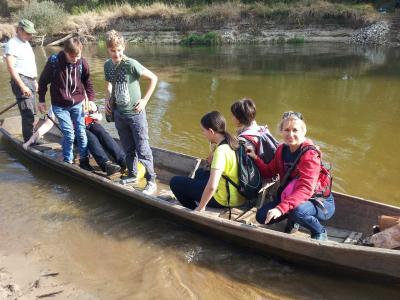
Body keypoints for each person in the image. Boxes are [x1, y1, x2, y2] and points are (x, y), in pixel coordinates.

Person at [247, 111, 335, 241]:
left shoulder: (310, 155)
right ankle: (293, 219)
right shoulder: (281, 150)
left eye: (295, 130)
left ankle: (319, 231)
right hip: (291, 196)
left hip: (318, 201)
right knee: (261, 216)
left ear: (303, 131)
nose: (291, 134)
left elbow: (305, 189)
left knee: (298, 212)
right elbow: (269, 171)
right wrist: (255, 158)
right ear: (281, 132)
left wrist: (280, 209)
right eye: (286, 130)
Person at [104, 30, 158, 195]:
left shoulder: (131, 64)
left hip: (135, 114)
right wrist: (107, 100)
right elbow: (108, 84)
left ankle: (151, 180)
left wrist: (145, 101)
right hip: (119, 114)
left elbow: (153, 78)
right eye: (113, 50)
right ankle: (133, 174)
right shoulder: (107, 65)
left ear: (123, 48)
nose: (116, 54)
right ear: (108, 50)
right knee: (128, 148)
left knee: (143, 148)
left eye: (119, 50)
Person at [169, 111, 246, 211]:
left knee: (175, 182)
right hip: (238, 195)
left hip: (224, 199)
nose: (203, 134)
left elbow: (212, 187)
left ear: (211, 131)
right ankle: (199, 198)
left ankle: (193, 208)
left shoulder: (221, 151)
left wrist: (201, 207)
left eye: (203, 131)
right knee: (200, 173)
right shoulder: (233, 142)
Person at [38, 37, 94, 171]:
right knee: (69, 133)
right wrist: (41, 100)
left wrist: (91, 100)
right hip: (60, 105)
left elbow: (88, 82)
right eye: (72, 56)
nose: (75, 59)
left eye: (78, 56)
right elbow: (43, 82)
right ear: (65, 52)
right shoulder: (54, 62)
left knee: (81, 132)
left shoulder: (82, 63)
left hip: (77, 103)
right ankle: (68, 160)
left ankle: (84, 160)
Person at [4, 19, 38, 142]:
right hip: (21, 81)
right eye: (28, 33)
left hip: (30, 80)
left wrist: (34, 80)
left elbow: (28, 64)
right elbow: (11, 67)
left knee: (32, 112)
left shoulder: (26, 42)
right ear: (19, 30)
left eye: (31, 33)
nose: (30, 36)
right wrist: (23, 86)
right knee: (28, 113)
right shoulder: (12, 44)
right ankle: (29, 142)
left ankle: (32, 138)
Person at [84, 101, 126, 176]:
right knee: (91, 138)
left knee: (101, 132)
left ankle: (123, 160)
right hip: (76, 127)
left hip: (89, 123)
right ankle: (105, 164)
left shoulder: (85, 95)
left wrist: (96, 111)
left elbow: (96, 116)